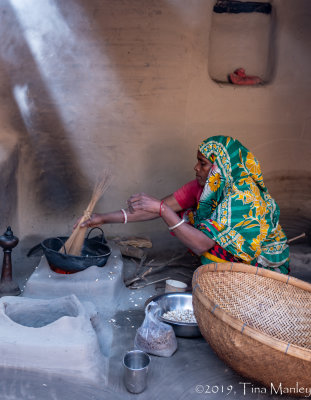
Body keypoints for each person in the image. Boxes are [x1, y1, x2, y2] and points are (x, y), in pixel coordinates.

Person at [80, 135, 289, 274]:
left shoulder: (242, 198)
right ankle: (215, 272)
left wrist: (163, 211)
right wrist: (102, 218)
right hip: (223, 250)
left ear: (220, 167)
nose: (196, 167)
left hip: (262, 264)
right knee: (188, 217)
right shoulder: (204, 187)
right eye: (197, 161)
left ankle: (225, 277)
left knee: (198, 232)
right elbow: (155, 208)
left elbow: (202, 243)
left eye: (203, 163)